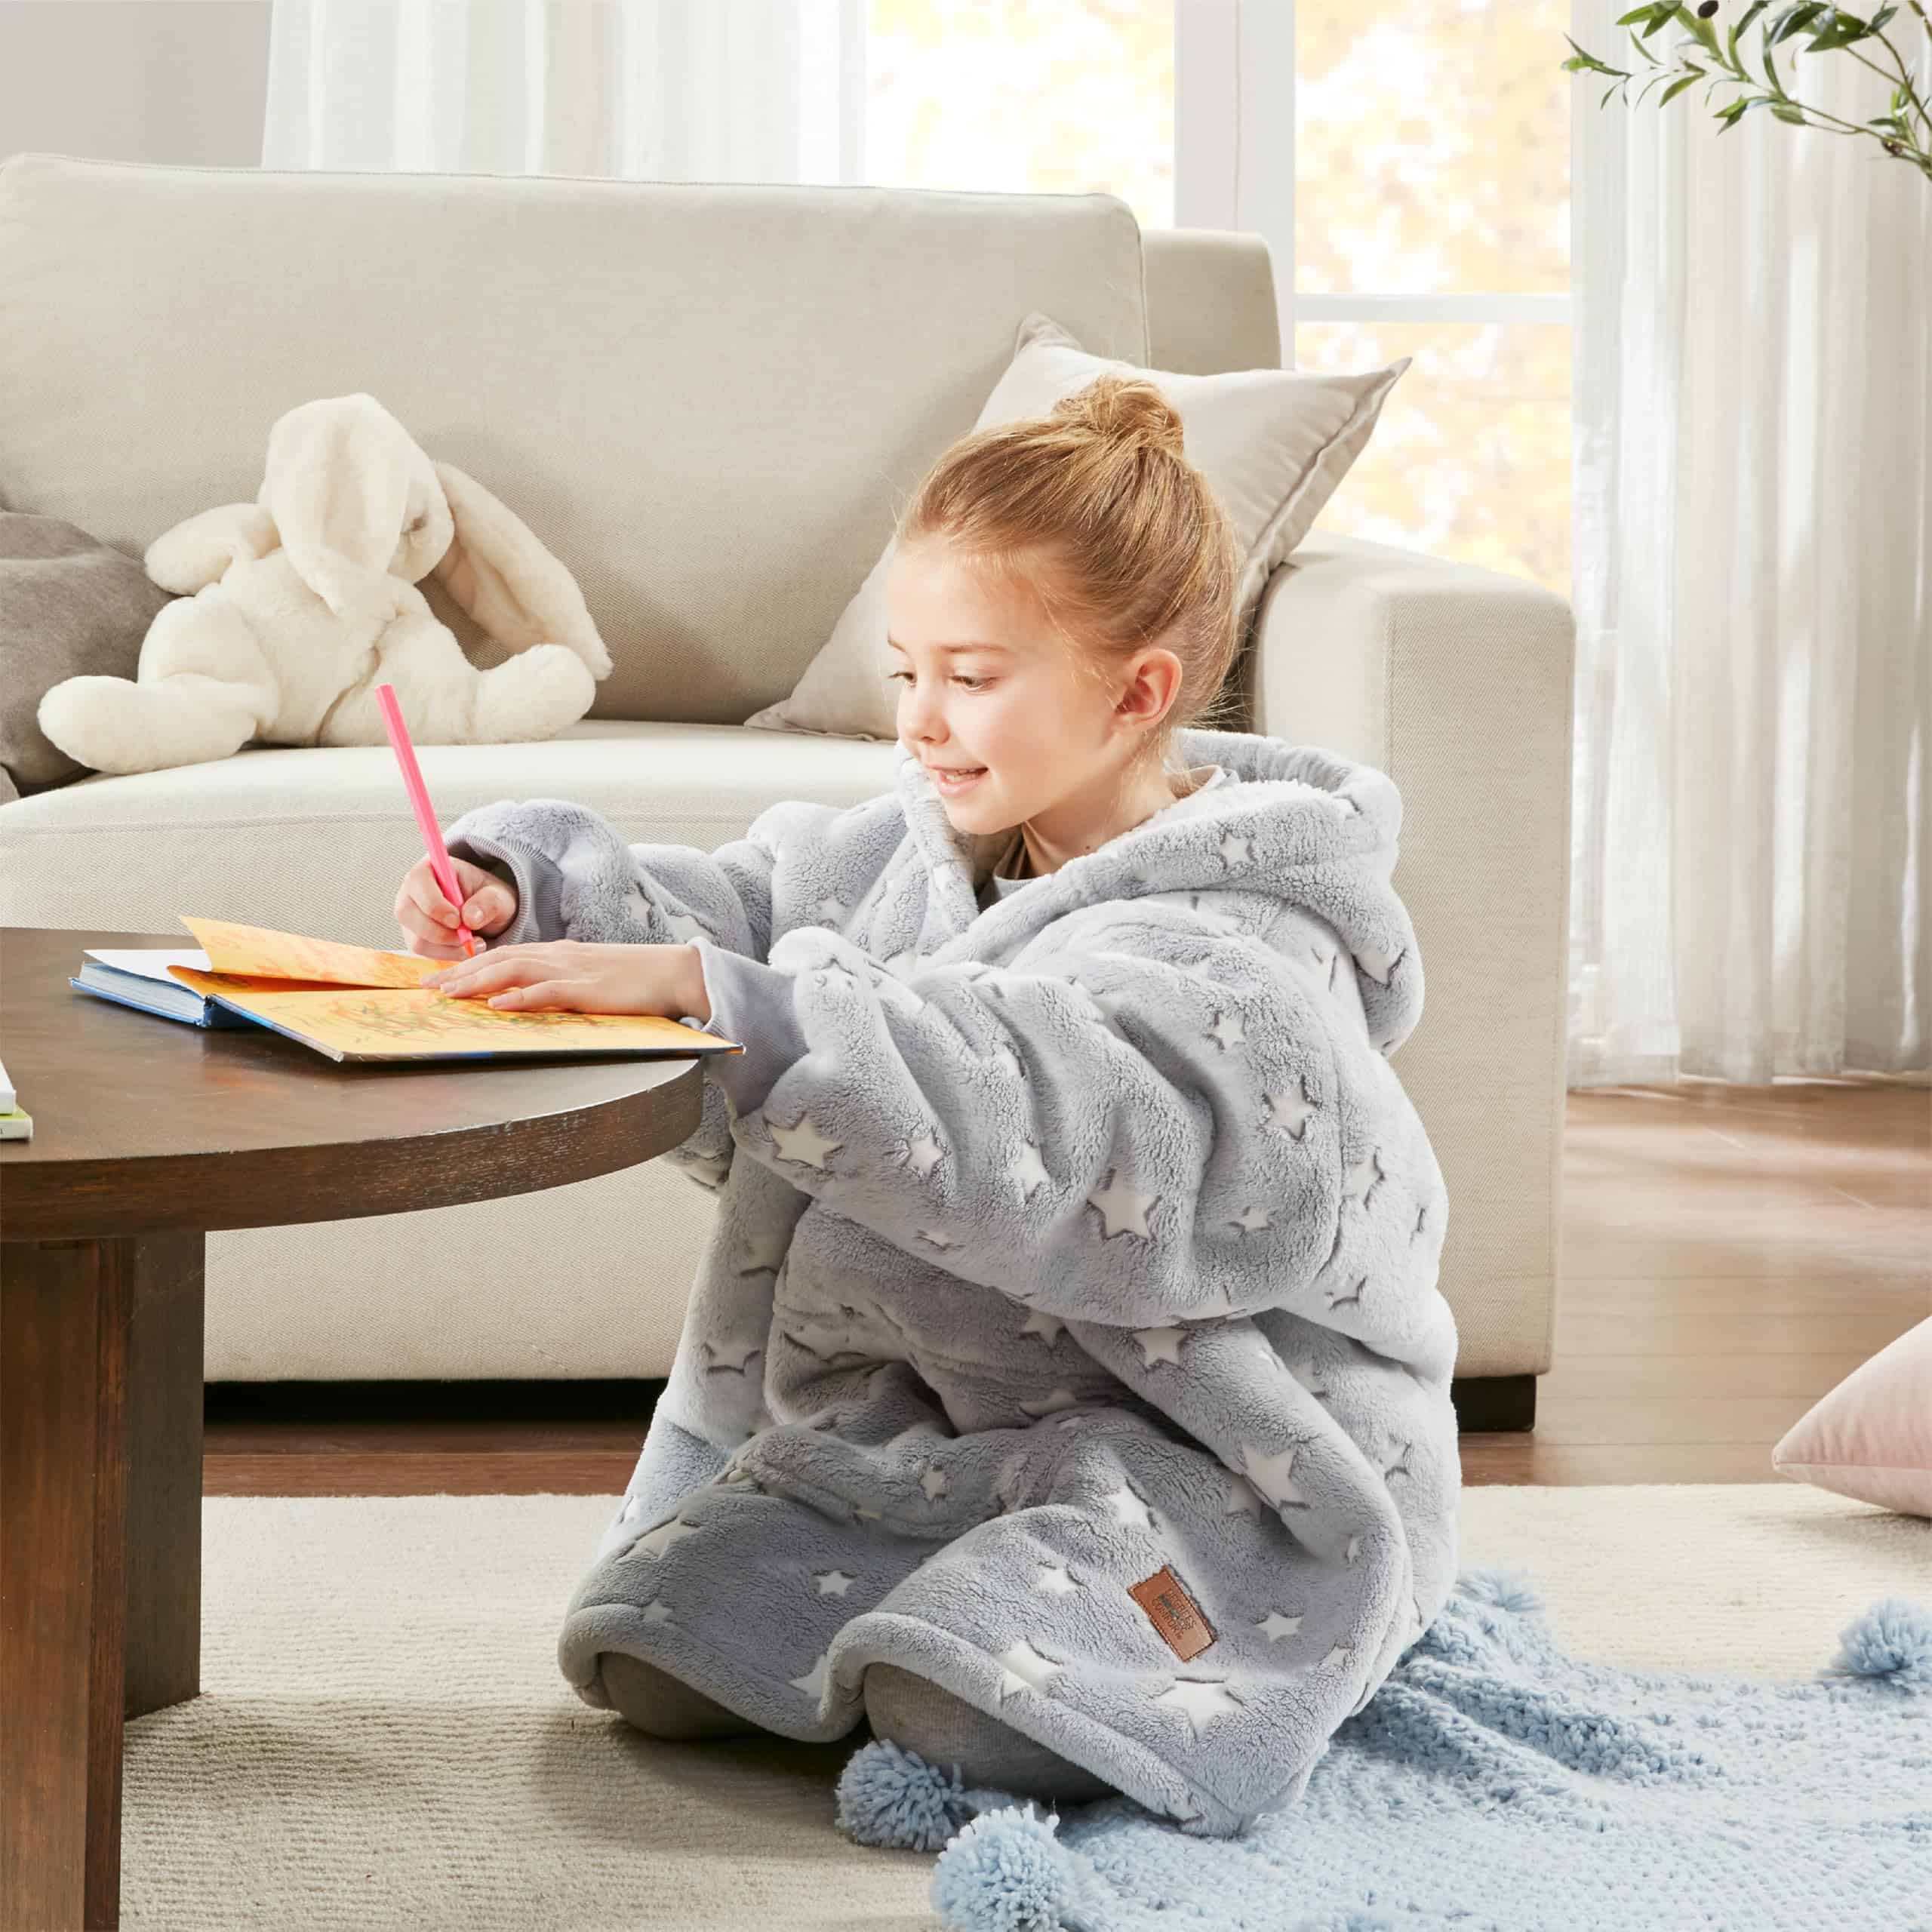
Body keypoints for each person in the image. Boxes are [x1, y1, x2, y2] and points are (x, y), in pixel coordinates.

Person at [393, 375, 1457, 1833]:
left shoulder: (1248, 948)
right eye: (905, 674)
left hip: (1203, 1461)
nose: (921, 724)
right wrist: (533, 905)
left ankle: (1045, 1636)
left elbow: (1053, 1112)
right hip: (924, 1425)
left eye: (971, 677)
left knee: (957, 1704)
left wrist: (729, 1002)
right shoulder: (917, 847)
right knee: (655, 1652)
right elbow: (744, 913)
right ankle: (935, 1594)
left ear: (1138, 693)